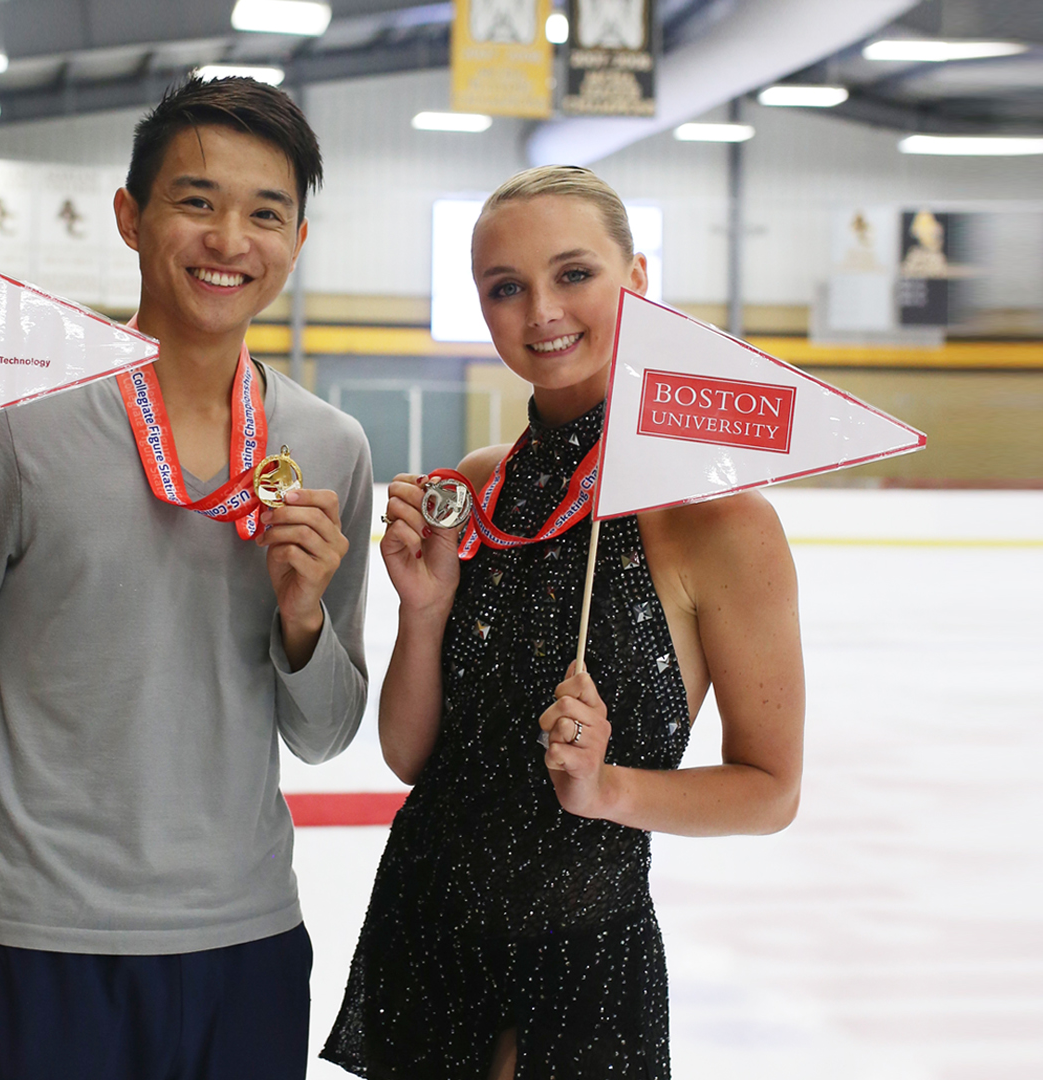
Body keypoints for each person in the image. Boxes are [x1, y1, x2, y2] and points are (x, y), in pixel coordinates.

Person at [0, 77, 374, 1079]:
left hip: (246, 939)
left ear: (296, 243)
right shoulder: (15, 423)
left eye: (264, 213)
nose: (229, 237)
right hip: (39, 939)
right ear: (129, 217)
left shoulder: (328, 449)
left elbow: (322, 733)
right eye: (196, 201)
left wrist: (304, 619)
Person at [322, 166, 804, 1079]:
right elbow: (414, 760)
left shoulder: (718, 521)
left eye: (573, 274)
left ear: (637, 278)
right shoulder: (477, 487)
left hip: (580, 958)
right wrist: (422, 615)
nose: (540, 310)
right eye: (505, 288)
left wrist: (607, 789)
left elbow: (770, 790)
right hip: (423, 932)